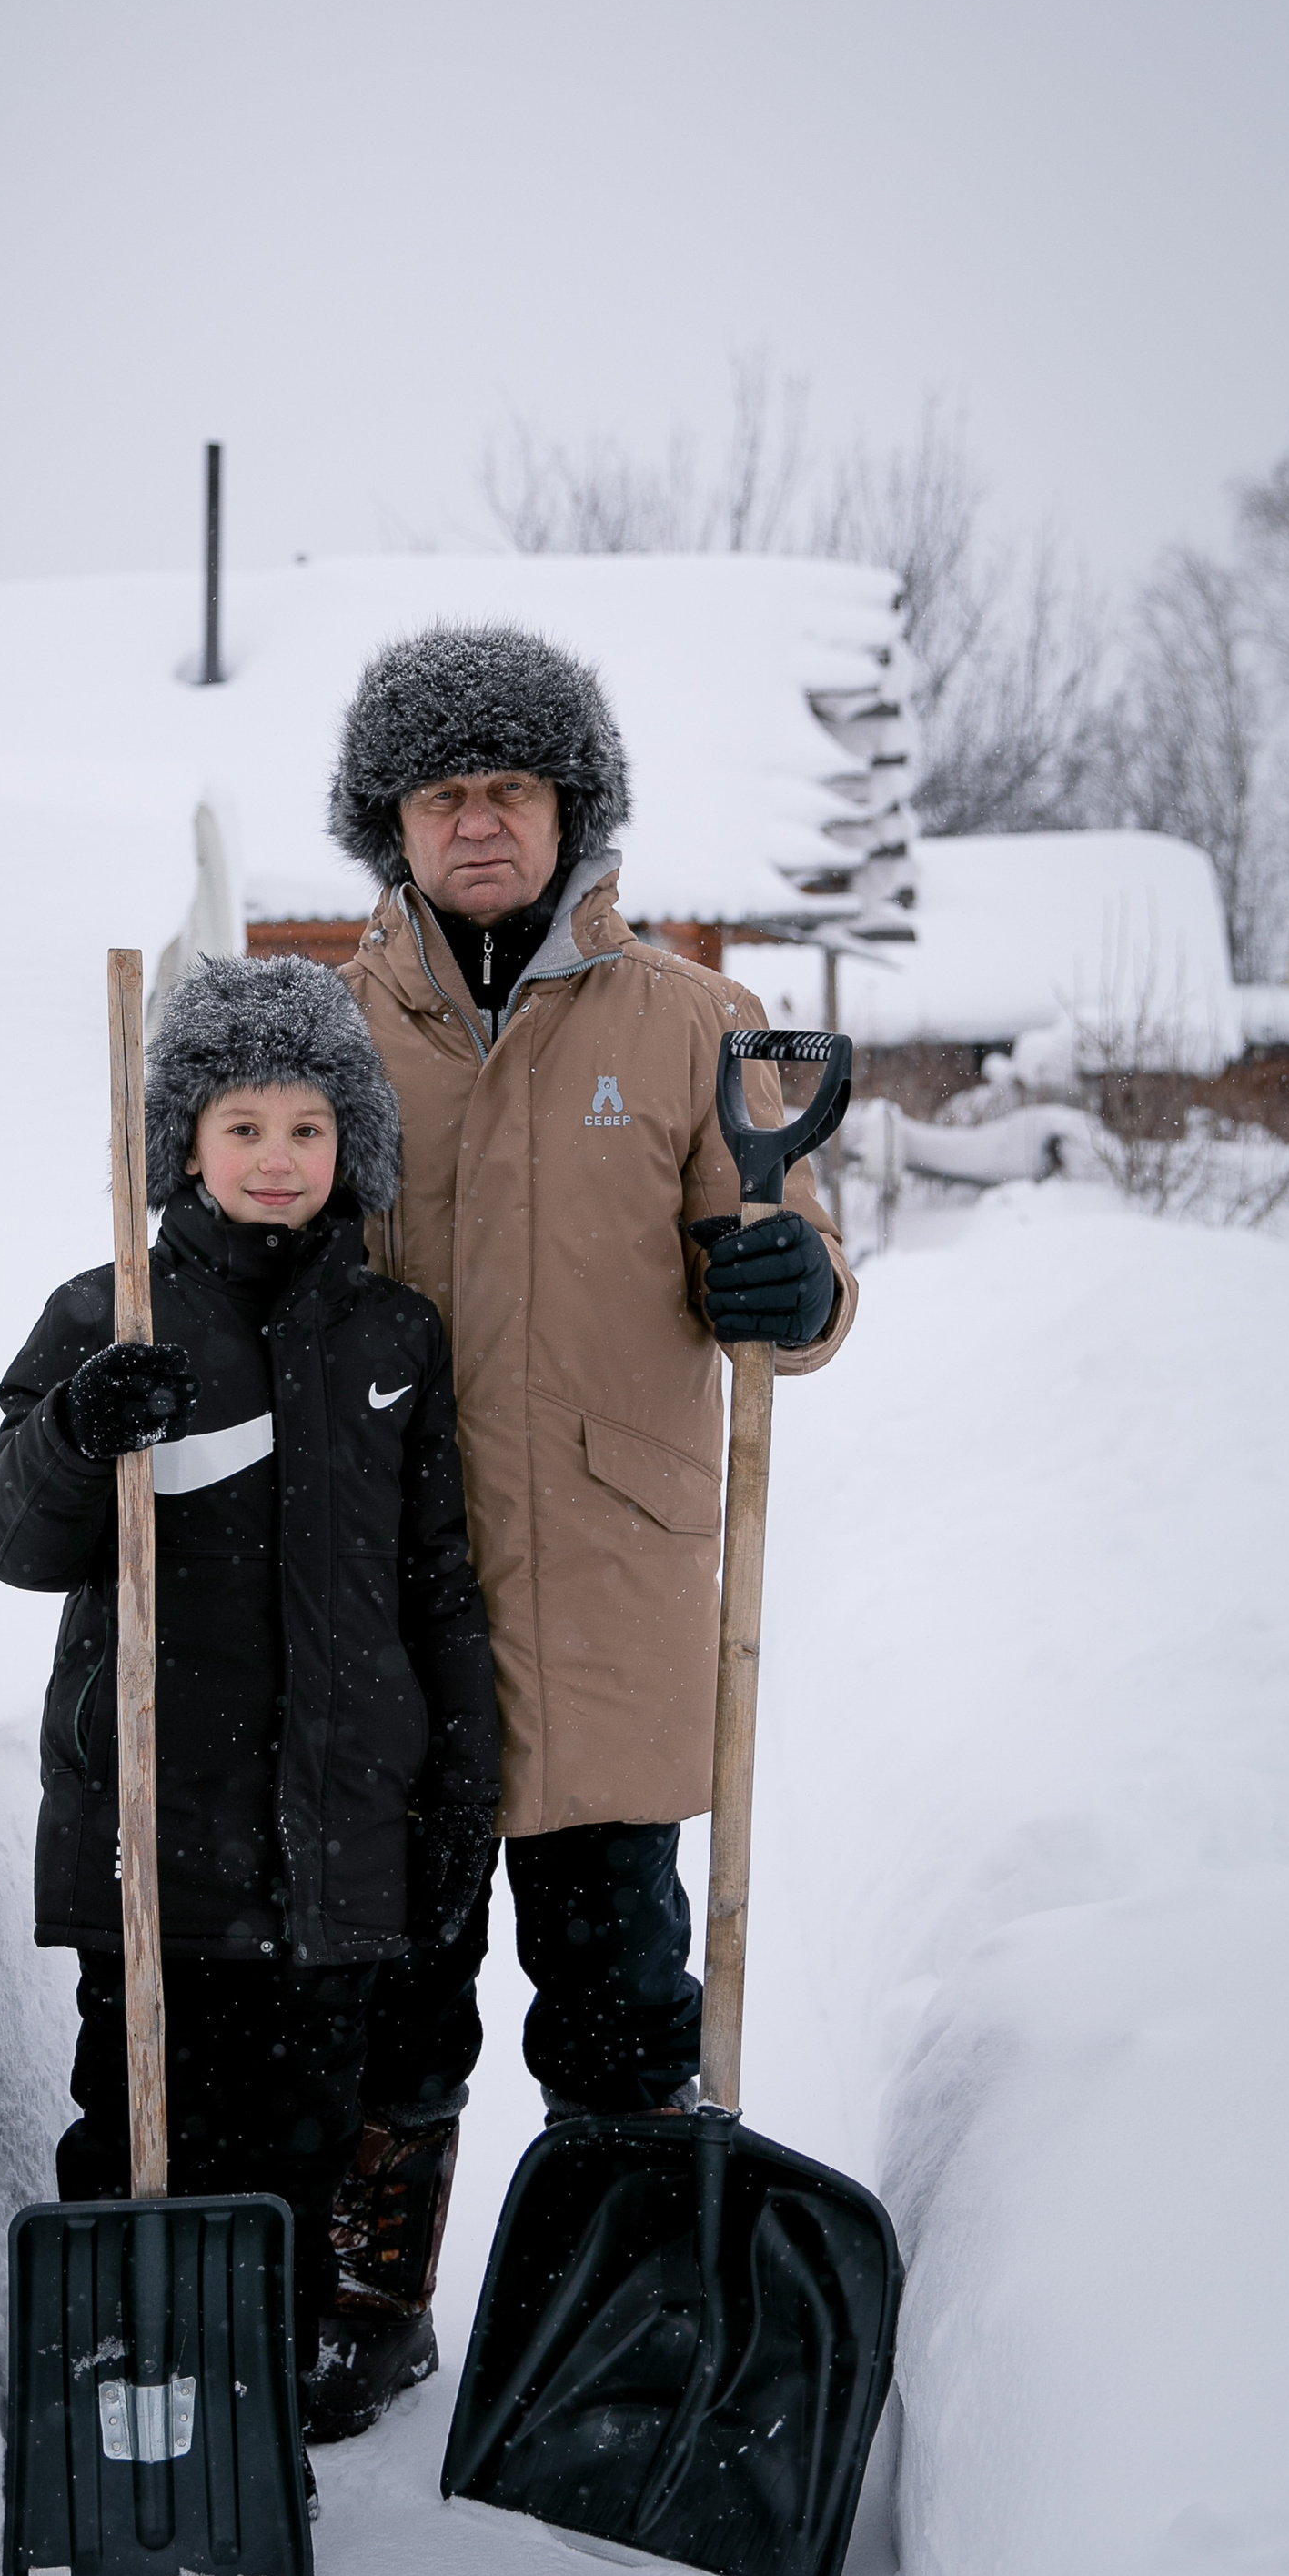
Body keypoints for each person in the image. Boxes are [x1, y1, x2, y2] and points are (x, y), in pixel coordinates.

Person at [321, 620, 857, 2390]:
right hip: (391, 1609)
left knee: (620, 1986)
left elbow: (781, 1255)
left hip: (610, 1596)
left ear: (572, 810)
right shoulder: (331, 1036)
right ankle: (366, 2302)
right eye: (440, 792)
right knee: (394, 1985)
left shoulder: (688, 1024)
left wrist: (795, 1290)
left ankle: (620, 2313)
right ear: (386, 824)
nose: (478, 823)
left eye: (510, 788)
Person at [0, 954, 501, 2441]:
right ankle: (121, 2376)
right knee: (140, 2120)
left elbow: (438, 1578)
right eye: (243, 1127)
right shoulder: (109, 1315)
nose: (278, 1158)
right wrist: (81, 1432)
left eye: (309, 1128)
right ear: (183, 1147)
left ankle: (255, 2392)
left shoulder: (397, 1339)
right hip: (161, 1839)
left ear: (354, 1148)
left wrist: (464, 1773)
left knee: (309, 2138)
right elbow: (9, 1540)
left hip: (337, 1844)